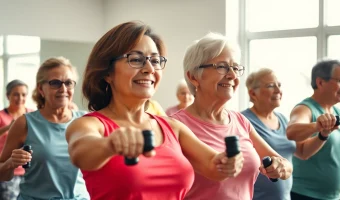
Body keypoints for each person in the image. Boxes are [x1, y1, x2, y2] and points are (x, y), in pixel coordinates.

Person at [65, 21, 244, 200]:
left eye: (155, 61)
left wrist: (229, 162)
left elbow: (215, 167)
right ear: (107, 72)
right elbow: (80, 153)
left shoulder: (172, 127)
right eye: (136, 59)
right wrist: (110, 144)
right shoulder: (89, 124)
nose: (149, 69)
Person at [171, 32, 293, 200]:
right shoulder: (174, 126)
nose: (232, 75)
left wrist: (281, 166)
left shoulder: (241, 121)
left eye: (235, 68)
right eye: (221, 66)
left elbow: (283, 163)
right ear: (193, 77)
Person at [0, 57, 90, 200]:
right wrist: (11, 163)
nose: (63, 89)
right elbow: (2, 174)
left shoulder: (87, 120)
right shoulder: (25, 123)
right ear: (41, 89)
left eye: (68, 83)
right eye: (55, 83)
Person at [287, 59, 340, 200]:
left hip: (333, 196)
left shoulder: (337, 112)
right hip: (304, 195)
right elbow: (292, 131)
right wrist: (317, 126)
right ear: (320, 82)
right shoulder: (305, 108)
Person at [241, 68, 296, 200]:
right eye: (271, 85)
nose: (278, 90)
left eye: (279, 85)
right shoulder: (243, 121)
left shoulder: (283, 119)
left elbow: (303, 152)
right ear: (253, 93)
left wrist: (323, 133)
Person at [0, 80, 34, 200]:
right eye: (16, 94)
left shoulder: (33, 115)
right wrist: (9, 127)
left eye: (23, 94)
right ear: (7, 96)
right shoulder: (1, 115)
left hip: (31, 171)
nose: (20, 98)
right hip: (9, 170)